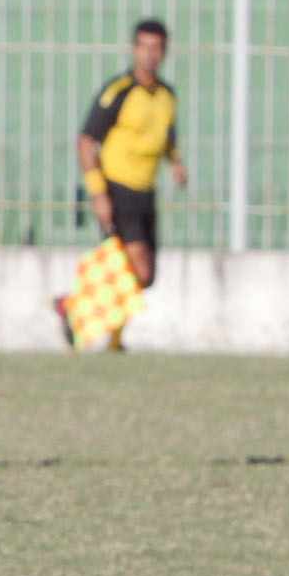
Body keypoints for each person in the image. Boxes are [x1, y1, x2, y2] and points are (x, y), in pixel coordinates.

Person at [57, 19, 185, 350]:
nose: (149, 55)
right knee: (137, 270)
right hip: (118, 188)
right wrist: (99, 193)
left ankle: (73, 308)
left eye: (155, 48)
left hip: (146, 192)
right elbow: (86, 141)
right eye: (143, 46)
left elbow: (166, 134)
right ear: (133, 49)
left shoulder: (167, 95)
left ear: (164, 52)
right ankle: (108, 334)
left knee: (141, 274)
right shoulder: (118, 92)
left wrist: (175, 161)